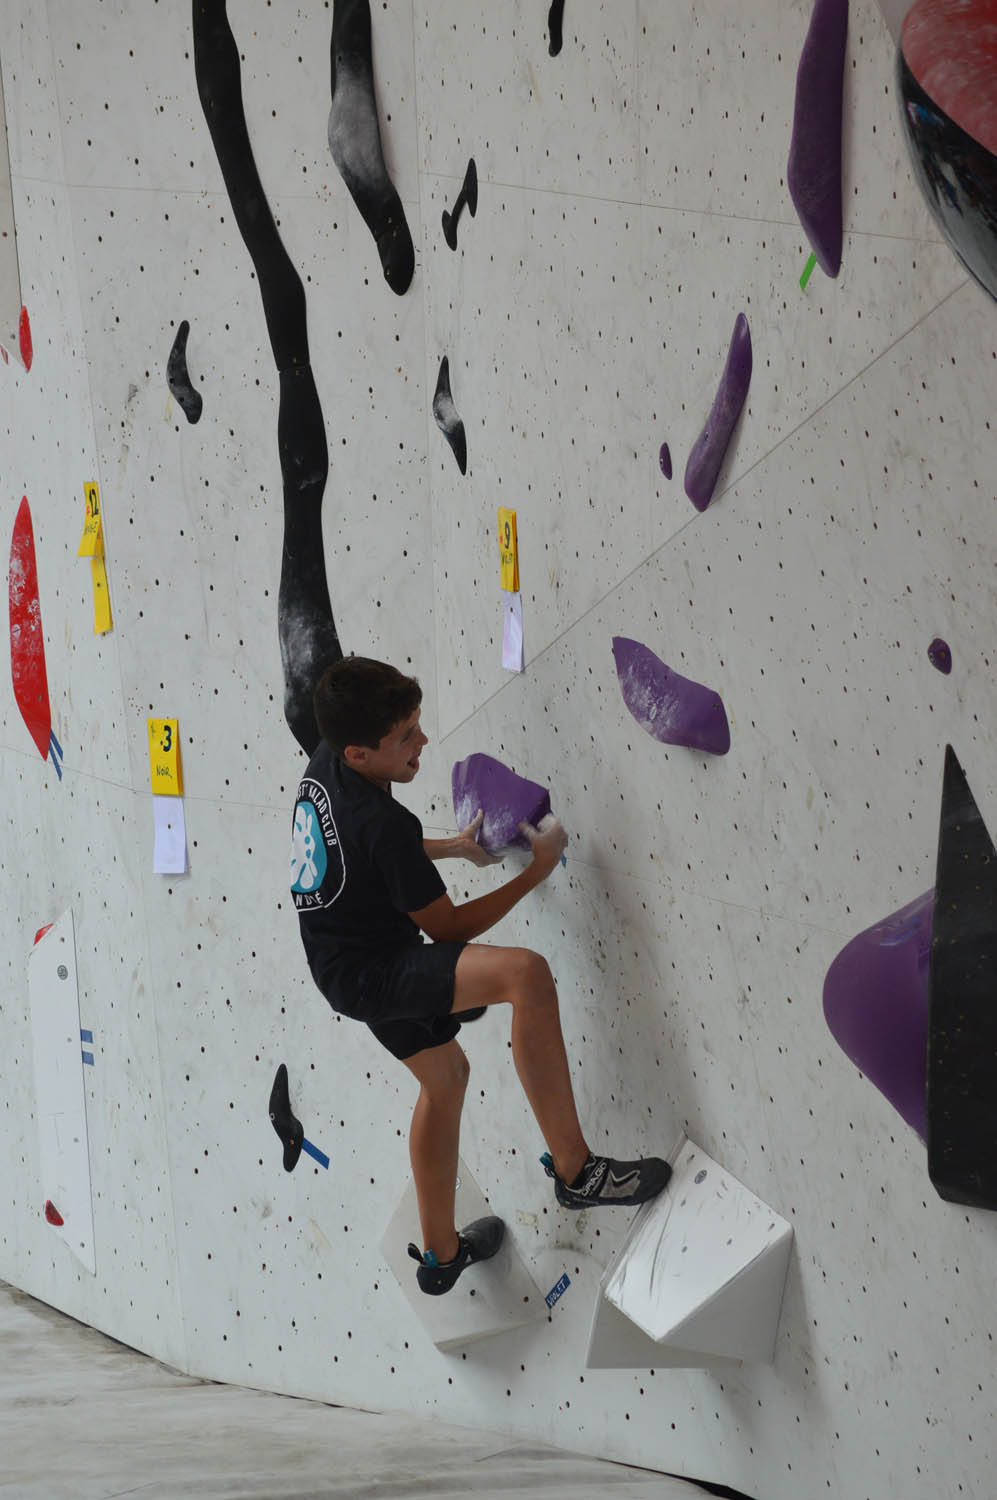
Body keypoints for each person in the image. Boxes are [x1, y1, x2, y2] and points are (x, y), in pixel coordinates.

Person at [291, 655, 671, 1295]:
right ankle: (578, 1173)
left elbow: (370, 851)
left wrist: (451, 848)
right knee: (525, 975)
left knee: (446, 1079)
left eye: (415, 723)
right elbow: (448, 929)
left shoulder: (329, 760)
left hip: (336, 959)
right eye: (405, 737)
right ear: (359, 753)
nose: (422, 741)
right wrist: (536, 871)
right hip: (374, 971)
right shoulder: (383, 822)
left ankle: (441, 1256)